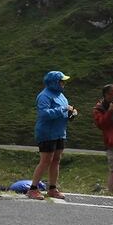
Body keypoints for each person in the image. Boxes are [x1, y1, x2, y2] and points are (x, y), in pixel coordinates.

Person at [27, 71, 77, 199]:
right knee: (45, 161)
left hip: (60, 132)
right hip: (46, 132)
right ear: (54, 82)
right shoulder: (44, 96)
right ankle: (33, 189)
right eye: (61, 81)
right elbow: (44, 114)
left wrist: (71, 114)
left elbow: (63, 112)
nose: (63, 83)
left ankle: (52, 188)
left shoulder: (61, 96)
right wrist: (64, 109)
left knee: (56, 160)